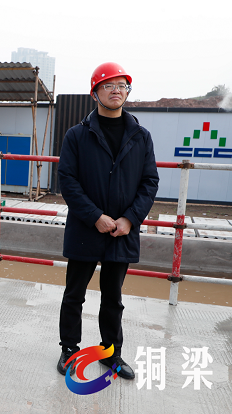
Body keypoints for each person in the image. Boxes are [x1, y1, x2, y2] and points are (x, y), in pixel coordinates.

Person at [56, 62, 159, 380]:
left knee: (113, 297)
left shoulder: (140, 136)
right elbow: (67, 180)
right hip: (86, 228)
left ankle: (111, 354)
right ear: (94, 93)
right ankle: (69, 350)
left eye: (122, 86)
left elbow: (149, 182)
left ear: (127, 92)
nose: (116, 91)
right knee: (74, 293)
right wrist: (95, 217)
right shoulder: (77, 135)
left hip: (122, 232)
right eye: (109, 85)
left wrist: (130, 219)